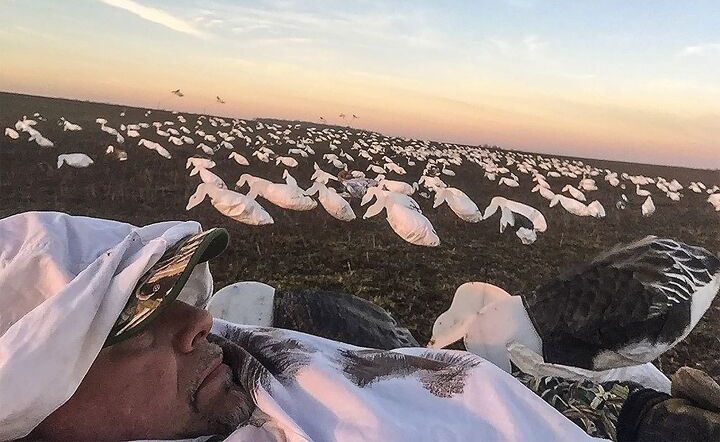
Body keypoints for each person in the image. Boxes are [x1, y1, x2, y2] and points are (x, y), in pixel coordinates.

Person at [1, 211, 719, 442]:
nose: (202, 323)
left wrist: (634, 413)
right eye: (137, 323)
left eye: (184, 295)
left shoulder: (252, 363)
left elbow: (430, 379)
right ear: (32, 386)